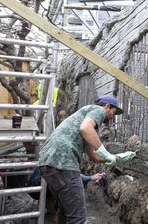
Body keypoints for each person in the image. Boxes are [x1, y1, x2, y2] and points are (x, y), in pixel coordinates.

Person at [38, 95, 136, 224]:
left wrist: (117, 158)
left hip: (49, 162)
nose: (113, 116)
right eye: (114, 111)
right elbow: (85, 128)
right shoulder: (98, 110)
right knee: (78, 217)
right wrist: (107, 154)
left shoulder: (85, 120)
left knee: (67, 213)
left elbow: (94, 157)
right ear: (107, 106)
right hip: (63, 162)